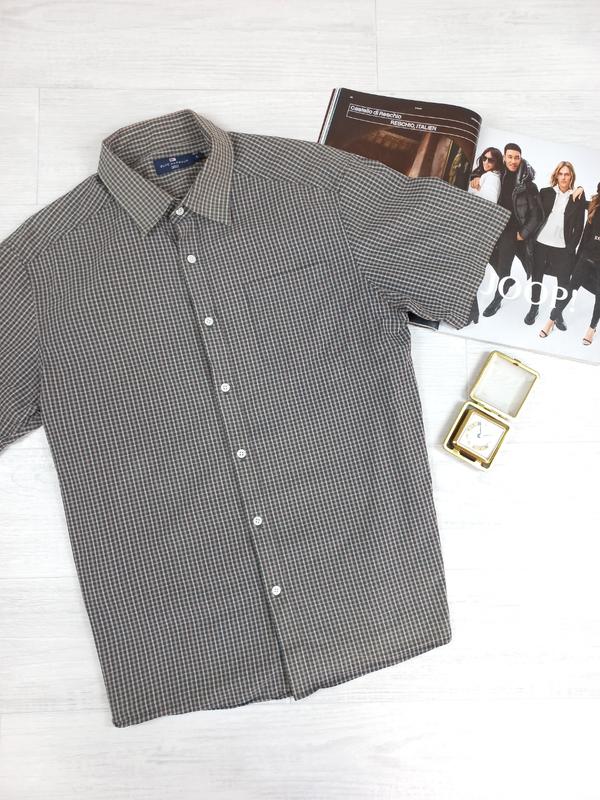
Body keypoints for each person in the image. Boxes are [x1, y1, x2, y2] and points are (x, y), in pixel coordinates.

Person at [481, 143, 544, 318]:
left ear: (521, 158)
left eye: (517, 157)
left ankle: (497, 300)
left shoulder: (528, 185)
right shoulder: (499, 175)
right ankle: (506, 281)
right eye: (510, 157)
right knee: (485, 255)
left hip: (512, 231)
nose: (513, 161)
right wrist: (475, 176)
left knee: (504, 266)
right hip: (496, 227)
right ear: (504, 157)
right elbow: (483, 168)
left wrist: (523, 234)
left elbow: (537, 215)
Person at [525, 161, 586, 327]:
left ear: (571, 177)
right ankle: (534, 308)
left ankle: (557, 313)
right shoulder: (546, 192)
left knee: (563, 282)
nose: (564, 177)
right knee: (537, 277)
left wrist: (571, 247)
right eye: (561, 174)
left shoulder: (577, 196)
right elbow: (535, 214)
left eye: (567, 174)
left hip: (563, 247)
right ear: (556, 175)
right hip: (541, 242)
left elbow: (579, 225)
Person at [539, 183, 600, 345]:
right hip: (586, 256)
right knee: (570, 288)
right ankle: (551, 320)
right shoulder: (595, 206)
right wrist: (581, 188)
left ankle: (592, 328)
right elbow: (585, 233)